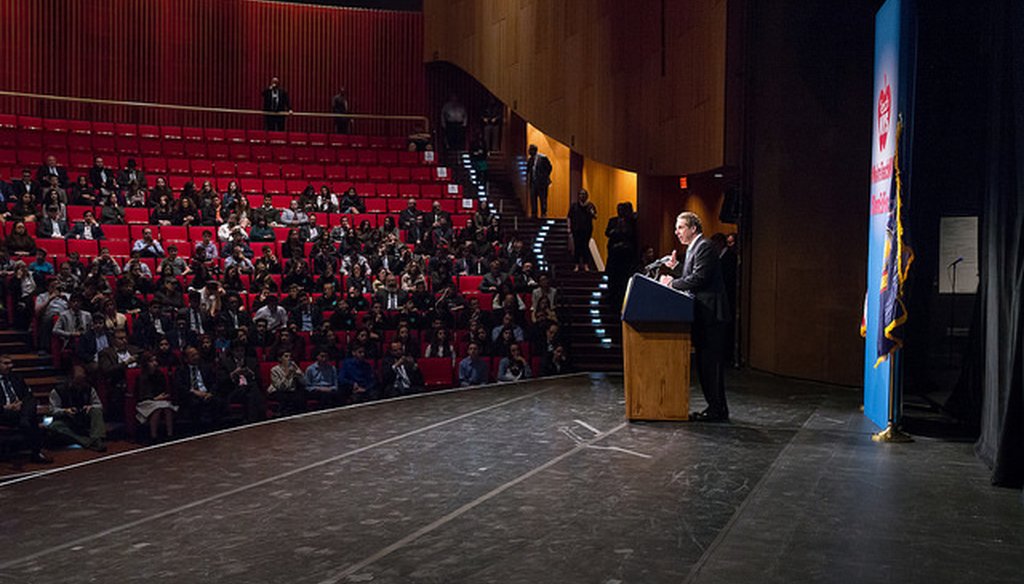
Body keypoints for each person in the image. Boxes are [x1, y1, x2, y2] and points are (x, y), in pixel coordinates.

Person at [658, 211, 731, 422]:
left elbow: (699, 278)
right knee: (705, 365)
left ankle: (717, 410)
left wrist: (671, 283)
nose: (676, 232)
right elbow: (692, 275)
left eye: (680, 227)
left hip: (711, 316)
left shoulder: (704, 246)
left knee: (711, 366)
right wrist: (676, 268)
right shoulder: (694, 248)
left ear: (693, 228)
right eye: (676, 228)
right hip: (702, 316)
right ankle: (716, 408)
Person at [0, 355, 50, 463]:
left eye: (11, 363)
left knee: (31, 401)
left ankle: (25, 419)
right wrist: (6, 407)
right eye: (6, 363)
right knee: (31, 418)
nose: (10, 366)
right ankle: (36, 453)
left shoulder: (17, 377)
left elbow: (27, 395)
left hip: (20, 410)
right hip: (3, 413)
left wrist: (21, 403)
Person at [48, 366, 107, 452]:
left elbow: (99, 405)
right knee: (54, 426)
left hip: (84, 419)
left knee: (96, 411)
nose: (79, 386)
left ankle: (96, 438)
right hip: (67, 421)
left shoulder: (89, 389)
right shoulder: (57, 391)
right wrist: (65, 411)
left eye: (81, 382)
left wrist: (91, 407)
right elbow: (52, 410)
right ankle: (88, 442)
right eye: (77, 383)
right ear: (70, 379)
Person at [135, 353, 177, 443]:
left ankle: (170, 434)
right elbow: (142, 394)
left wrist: (163, 396)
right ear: (145, 363)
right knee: (157, 409)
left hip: (160, 400)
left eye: (155, 361)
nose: (154, 363)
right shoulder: (141, 377)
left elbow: (163, 389)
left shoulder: (159, 374)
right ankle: (153, 436)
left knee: (167, 408)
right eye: (151, 361)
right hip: (146, 402)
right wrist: (154, 398)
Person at [605, 201, 638, 310]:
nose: (619, 212)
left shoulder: (631, 222)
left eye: (621, 209)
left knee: (622, 281)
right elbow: (607, 233)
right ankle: (611, 300)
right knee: (613, 281)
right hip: (614, 255)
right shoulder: (613, 221)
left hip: (625, 257)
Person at [567, 188, 598, 271]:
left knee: (585, 247)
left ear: (587, 196)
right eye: (580, 194)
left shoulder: (590, 205)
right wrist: (569, 228)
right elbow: (569, 217)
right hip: (576, 229)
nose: (582, 196)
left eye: (584, 194)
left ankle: (586, 265)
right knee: (577, 247)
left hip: (587, 229)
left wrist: (591, 212)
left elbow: (595, 216)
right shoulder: (574, 206)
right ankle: (576, 265)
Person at [268, 350, 306, 415]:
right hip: (277, 391)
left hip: (291, 391)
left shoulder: (293, 368)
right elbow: (280, 387)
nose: (289, 358)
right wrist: (287, 375)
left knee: (301, 396)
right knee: (284, 397)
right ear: (280, 359)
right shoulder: (274, 370)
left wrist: (297, 370)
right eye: (286, 356)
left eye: (290, 356)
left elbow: (304, 382)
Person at [526, 144, 552, 218]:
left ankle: (543, 213)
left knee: (543, 198)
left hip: (542, 183)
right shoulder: (530, 160)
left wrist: (544, 176)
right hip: (533, 183)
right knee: (533, 199)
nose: (529, 151)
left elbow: (549, 167)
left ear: (534, 150)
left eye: (530, 150)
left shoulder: (543, 158)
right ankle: (534, 213)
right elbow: (528, 170)